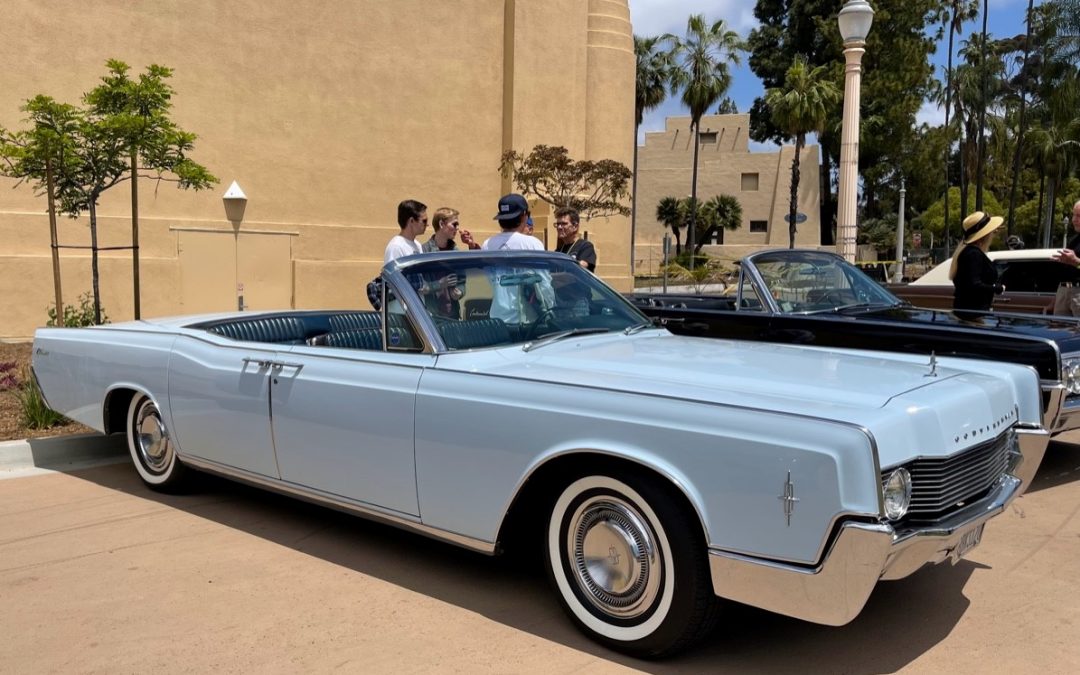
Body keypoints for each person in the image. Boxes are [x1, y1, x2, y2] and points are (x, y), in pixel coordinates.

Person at [482, 193, 553, 325]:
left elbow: (491, 280)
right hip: (527, 320)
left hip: (497, 318)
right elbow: (544, 282)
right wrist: (549, 308)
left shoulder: (487, 245)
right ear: (524, 215)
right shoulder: (532, 243)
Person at [949, 210, 1005, 312]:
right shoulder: (973, 254)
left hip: (969, 311)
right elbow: (974, 284)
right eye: (992, 232)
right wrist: (997, 288)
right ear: (985, 235)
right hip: (973, 313)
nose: (993, 235)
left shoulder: (967, 252)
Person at [1050, 200, 1080, 316]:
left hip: (1078, 293)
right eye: (1074, 215)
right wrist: (1055, 299)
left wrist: (1076, 262)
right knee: (1059, 331)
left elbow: (1076, 263)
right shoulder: (1073, 239)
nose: (1073, 220)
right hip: (1063, 291)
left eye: (1079, 216)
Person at [553, 207, 596, 272]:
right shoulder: (559, 250)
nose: (559, 227)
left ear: (575, 227)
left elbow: (581, 267)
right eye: (558, 224)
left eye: (564, 224)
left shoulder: (585, 246)